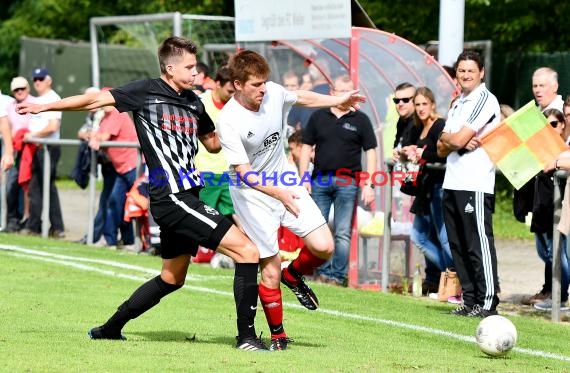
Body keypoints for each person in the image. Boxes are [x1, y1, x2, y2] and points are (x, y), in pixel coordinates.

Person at [16, 37, 267, 351]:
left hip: (189, 194)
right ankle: (247, 338)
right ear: (169, 67)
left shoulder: (193, 102)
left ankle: (109, 329)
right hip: (171, 197)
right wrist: (43, 106)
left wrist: (245, 127)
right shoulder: (145, 91)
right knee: (248, 252)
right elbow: (94, 101)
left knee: (172, 279)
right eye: (189, 67)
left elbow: (213, 144)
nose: (194, 73)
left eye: (195, 66)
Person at [217, 50, 364, 350]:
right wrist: (278, 193)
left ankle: (294, 275)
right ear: (237, 84)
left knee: (324, 246)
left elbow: (302, 97)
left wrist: (339, 100)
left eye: (265, 83)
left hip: (284, 182)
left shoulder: (272, 92)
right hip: (252, 196)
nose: (263, 90)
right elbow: (244, 173)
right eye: (256, 85)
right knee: (269, 269)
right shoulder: (228, 120)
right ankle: (278, 336)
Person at [437, 50, 501, 318]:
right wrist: (452, 138)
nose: (465, 75)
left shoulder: (484, 99)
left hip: (475, 182)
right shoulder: (457, 103)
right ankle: (470, 299)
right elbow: (440, 147)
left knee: (477, 243)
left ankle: (488, 302)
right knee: (458, 244)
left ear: (481, 73)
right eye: (461, 71)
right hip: (452, 180)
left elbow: (457, 139)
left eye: (470, 71)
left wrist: (452, 138)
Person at [299, 75, 377, 286]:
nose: (344, 95)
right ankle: (320, 272)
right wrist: (304, 177)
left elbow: (371, 151)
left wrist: (369, 184)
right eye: (340, 91)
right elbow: (306, 147)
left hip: (348, 182)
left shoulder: (361, 120)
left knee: (342, 232)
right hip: (319, 180)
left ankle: (336, 276)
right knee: (317, 228)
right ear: (332, 93)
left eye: (348, 91)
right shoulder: (318, 116)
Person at [395, 87, 453, 290]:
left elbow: (444, 153)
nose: (420, 108)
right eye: (417, 104)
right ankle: (453, 275)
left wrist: (422, 154)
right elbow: (408, 147)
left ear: (432, 104)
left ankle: (455, 277)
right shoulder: (417, 127)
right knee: (418, 237)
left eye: (424, 104)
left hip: (439, 187)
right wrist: (404, 152)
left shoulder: (440, 125)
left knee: (444, 238)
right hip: (423, 188)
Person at [516, 67, 564, 307]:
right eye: (534, 85)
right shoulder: (535, 112)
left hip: (556, 188)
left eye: (542, 85)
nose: (537, 90)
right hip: (537, 188)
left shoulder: (559, 114)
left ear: (554, 87)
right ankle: (550, 289)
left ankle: (556, 293)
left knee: (555, 246)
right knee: (543, 244)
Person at [519, 109, 569, 311]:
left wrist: (556, 162)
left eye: (555, 124)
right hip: (542, 206)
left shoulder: (562, 146)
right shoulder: (541, 147)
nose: (551, 128)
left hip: (559, 205)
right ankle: (554, 294)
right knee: (547, 253)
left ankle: (559, 297)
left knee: (559, 254)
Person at [88, 87, 138, 250]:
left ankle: (128, 241)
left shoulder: (117, 113)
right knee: (117, 203)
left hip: (132, 166)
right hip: (122, 168)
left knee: (128, 203)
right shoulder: (105, 117)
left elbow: (102, 137)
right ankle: (119, 241)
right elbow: (93, 135)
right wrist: (95, 137)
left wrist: (97, 138)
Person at [20, 68, 65, 238]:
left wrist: (33, 136)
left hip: (47, 148)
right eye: (35, 79)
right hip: (39, 148)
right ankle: (54, 227)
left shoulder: (52, 98)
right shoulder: (40, 99)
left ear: (49, 80)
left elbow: (53, 126)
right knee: (43, 187)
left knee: (39, 187)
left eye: (40, 78)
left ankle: (36, 226)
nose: (37, 81)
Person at [195, 65, 239, 229]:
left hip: (231, 172)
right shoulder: (200, 103)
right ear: (217, 84)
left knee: (241, 217)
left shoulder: (236, 107)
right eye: (229, 91)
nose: (232, 95)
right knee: (203, 221)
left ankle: (245, 253)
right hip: (206, 172)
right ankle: (198, 255)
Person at [75, 87, 112, 245]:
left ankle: (101, 238)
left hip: (120, 164)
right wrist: (91, 135)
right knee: (110, 200)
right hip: (110, 163)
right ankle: (97, 237)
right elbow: (82, 132)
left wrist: (92, 135)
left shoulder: (107, 113)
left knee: (112, 201)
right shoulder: (94, 115)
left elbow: (101, 136)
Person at [3, 77, 34, 232]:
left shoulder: (36, 103)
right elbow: (6, 126)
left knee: (30, 188)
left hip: (33, 151)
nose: (20, 92)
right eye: (16, 89)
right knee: (11, 186)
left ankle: (30, 222)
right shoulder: (9, 106)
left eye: (22, 88)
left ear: (28, 89)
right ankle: (13, 221)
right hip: (17, 151)